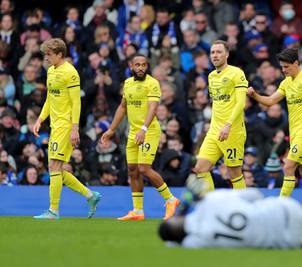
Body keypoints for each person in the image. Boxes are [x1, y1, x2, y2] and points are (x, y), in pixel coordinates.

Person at [247, 48, 302, 224]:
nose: (284, 70)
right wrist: (254, 95)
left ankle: (278, 210)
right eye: (282, 67)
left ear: (296, 63)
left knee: (288, 165)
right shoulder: (286, 83)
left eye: (286, 66)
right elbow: (270, 101)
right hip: (295, 133)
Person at [158, 177, 302, 249]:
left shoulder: (198, 241)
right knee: (261, 211)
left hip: (285, 242)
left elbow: (171, 243)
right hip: (290, 209)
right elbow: (255, 194)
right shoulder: (212, 200)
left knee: (260, 231)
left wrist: (184, 208)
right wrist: (188, 201)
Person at [101, 54, 179, 221]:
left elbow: (152, 108)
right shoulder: (128, 84)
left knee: (144, 168)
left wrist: (143, 129)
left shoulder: (152, 83)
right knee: (133, 170)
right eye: (138, 65)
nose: (141, 68)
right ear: (131, 66)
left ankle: (171, 200)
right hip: (133, 133)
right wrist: (111, 129)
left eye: (144, 65)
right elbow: (122, 108)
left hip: (149, 131)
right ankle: (137, 211)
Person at [33, 38, 101, 220]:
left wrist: (74, 128)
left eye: (49, 54)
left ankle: (53, 211)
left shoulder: (70, 73)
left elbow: (76, 102)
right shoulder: (51, 71)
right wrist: (40, 119)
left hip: (65, 125)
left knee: (54, 167)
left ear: (60, 54)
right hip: (55, 125)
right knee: (56, 169)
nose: (46, 58)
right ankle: (90, 195)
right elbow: (50, 99)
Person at [193, 40, 249, 191]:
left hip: (232, 131)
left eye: (219, 52)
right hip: (214, 131)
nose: (215, 55)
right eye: (212, 52)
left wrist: (228, 125)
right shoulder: (211, 76)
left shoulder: (236, 73)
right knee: (200, 169)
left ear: (227, 54)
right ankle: (212, 204)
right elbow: (217, 103)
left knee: (234, 173)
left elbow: (240, 103)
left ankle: (243, 208)